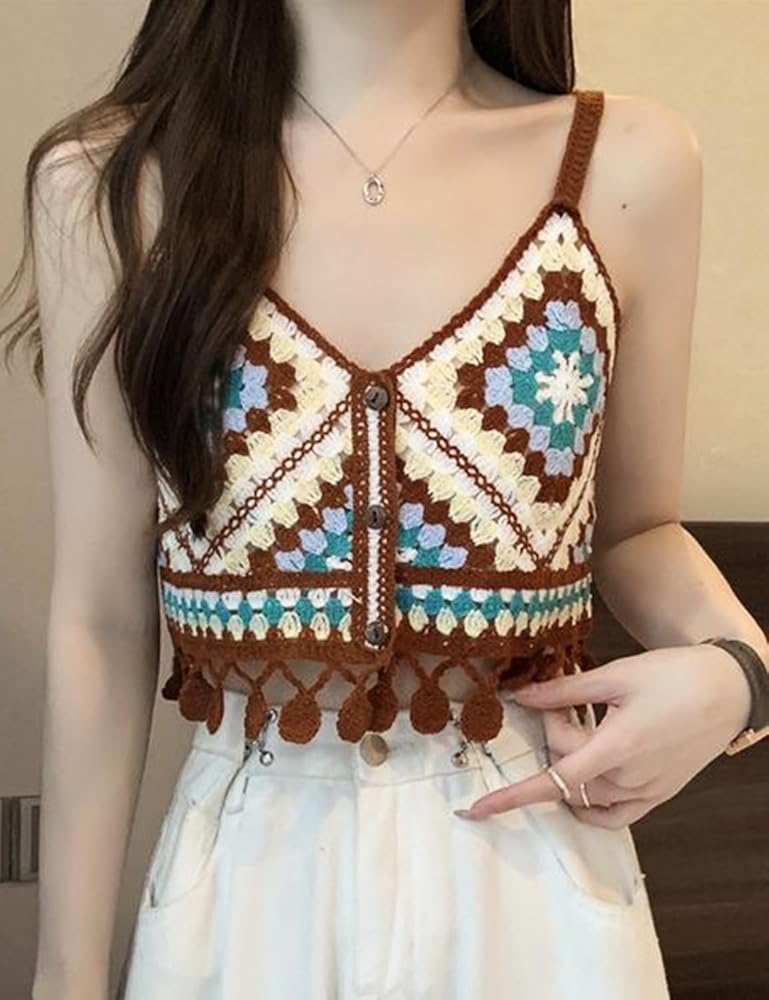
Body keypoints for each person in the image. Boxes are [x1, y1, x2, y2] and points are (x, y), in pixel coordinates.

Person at [2, 2, 767, 999]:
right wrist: (65, 979)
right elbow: (102, 617)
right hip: (245, 881)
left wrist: (741, 672)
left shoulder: (626, 162)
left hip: (531, 869)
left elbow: (635, 528)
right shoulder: (112, 181)